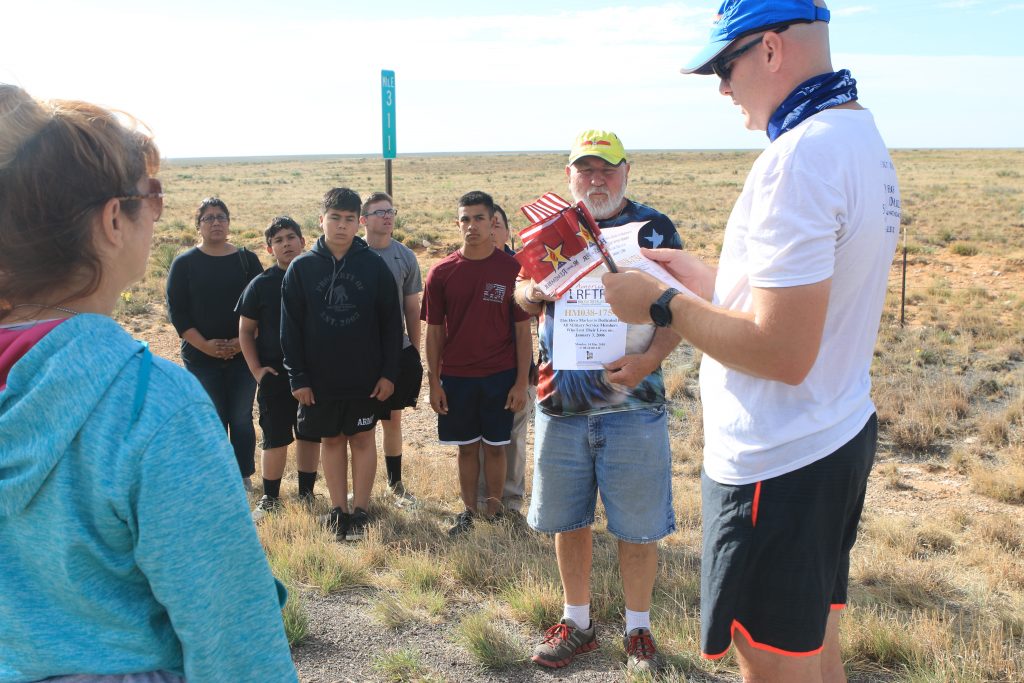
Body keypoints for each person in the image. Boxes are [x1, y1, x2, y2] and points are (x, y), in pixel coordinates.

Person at [601, 2, 899, 680]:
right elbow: (807, 306)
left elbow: (781, 352)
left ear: (769, 49)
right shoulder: (857, 136)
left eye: (724, 65)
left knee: (769, 662)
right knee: (813, 649)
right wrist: (708, 282)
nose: (721, 87)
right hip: (832, 431)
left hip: (778, 458)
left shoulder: (797, 158)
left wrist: (662, 304)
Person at [0, 84, 297, 682]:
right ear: (114, 220)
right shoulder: (151, 406)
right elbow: (233, 636)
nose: (157, 212)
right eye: (151, 195)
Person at [514, 130, 683, 674]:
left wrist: (648, 361)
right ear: (570, 176)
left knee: (638, 525)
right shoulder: (551, 230)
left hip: (633, 403)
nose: (596, 180)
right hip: (561, 404)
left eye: (607, 169)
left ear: (626, 171)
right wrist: (531, 292)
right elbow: (521, 290)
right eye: (585, 170)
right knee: (569, 519)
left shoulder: (653, 228)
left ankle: (639, 630)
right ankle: (578, 623)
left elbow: (682, 307)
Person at [281, 187, 402, 542]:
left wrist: (388, 373)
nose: (342, 225)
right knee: (331, 440)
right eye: (335, 218)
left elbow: (391, 324)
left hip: (365, 376)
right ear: (321, 220)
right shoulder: (301, 268)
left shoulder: (373, 265)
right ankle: (338, 511)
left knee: (363, 438)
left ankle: (361, 510)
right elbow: (290, 329)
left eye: (349, 219)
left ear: (358, 222)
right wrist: (298, 377)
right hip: (319, 379)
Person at [422, 191, 531, 537]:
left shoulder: (512, 270)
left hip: (500, 376)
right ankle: (469, 512)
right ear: (458, 224)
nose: (472, 226)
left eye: (479, 218)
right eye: (465, 219)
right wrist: (434, 382)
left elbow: (523, 332)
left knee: (497, 449)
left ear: (492, 221)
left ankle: (495, 513)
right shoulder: (441, 272)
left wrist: (520, 383)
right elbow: (434, 332)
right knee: (467, 449)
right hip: (457, 377)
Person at [166, 196, 263, 487]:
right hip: (200, 358)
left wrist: (240, 343)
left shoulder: (247, 260)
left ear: (229, 223)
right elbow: (178, 314)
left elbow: (263, 307)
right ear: (198, 225)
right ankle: (217, 478)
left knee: (241, 417)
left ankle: (243, 476)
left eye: (221, 217)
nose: (215, 222)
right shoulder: (184, 264)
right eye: (208, 218)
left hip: (244, 355)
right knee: (212, 418)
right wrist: (206, 346)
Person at [237, 216, 322, 521]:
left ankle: (306, 494)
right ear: (269, 248)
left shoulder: (318, 276)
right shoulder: (260, 285)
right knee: (274, 436)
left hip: (313, 374)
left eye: (291, 237)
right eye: (278, 240)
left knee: (310, 434)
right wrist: (256, 370)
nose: (286, 244)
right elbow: (246, 331)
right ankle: (270, 498)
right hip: (274, 374)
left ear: (303, 241)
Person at [360, 192, 423, 505]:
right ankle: (363, 490)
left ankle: (395, 483)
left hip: (395, 350)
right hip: (359, 354)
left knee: (392, 420)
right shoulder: (352, 253)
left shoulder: (405, 256)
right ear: (363, 219)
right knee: (362, 425)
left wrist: (414, 352)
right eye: (379, 212)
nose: (387, 217)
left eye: (391, 211)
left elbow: (411, 307)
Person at [475, 204, 535, 519]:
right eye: (489, 223)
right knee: (476, 440)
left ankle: (509, 505)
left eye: (498, 225)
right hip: (475, 373)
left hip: (516, 373)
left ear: (508, 232)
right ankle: (479, 502)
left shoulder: (523, 272)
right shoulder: (467, 265)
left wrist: (525, 377)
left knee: (512, 438)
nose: (491, 230)